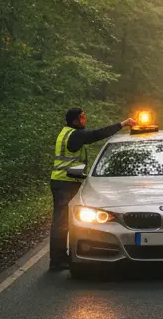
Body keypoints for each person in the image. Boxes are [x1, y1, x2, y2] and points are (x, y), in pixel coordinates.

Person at [49, 108, 136, 270]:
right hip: (65, 184)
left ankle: (60, 256)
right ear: (75, 121)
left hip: (63, 182)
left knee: (63, 222)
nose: (85, 119)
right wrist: (123, 124)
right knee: (61, 223)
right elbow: (96, 135)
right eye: (82, 117)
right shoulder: (76, 135)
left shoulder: (66, 133)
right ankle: (57, 260)